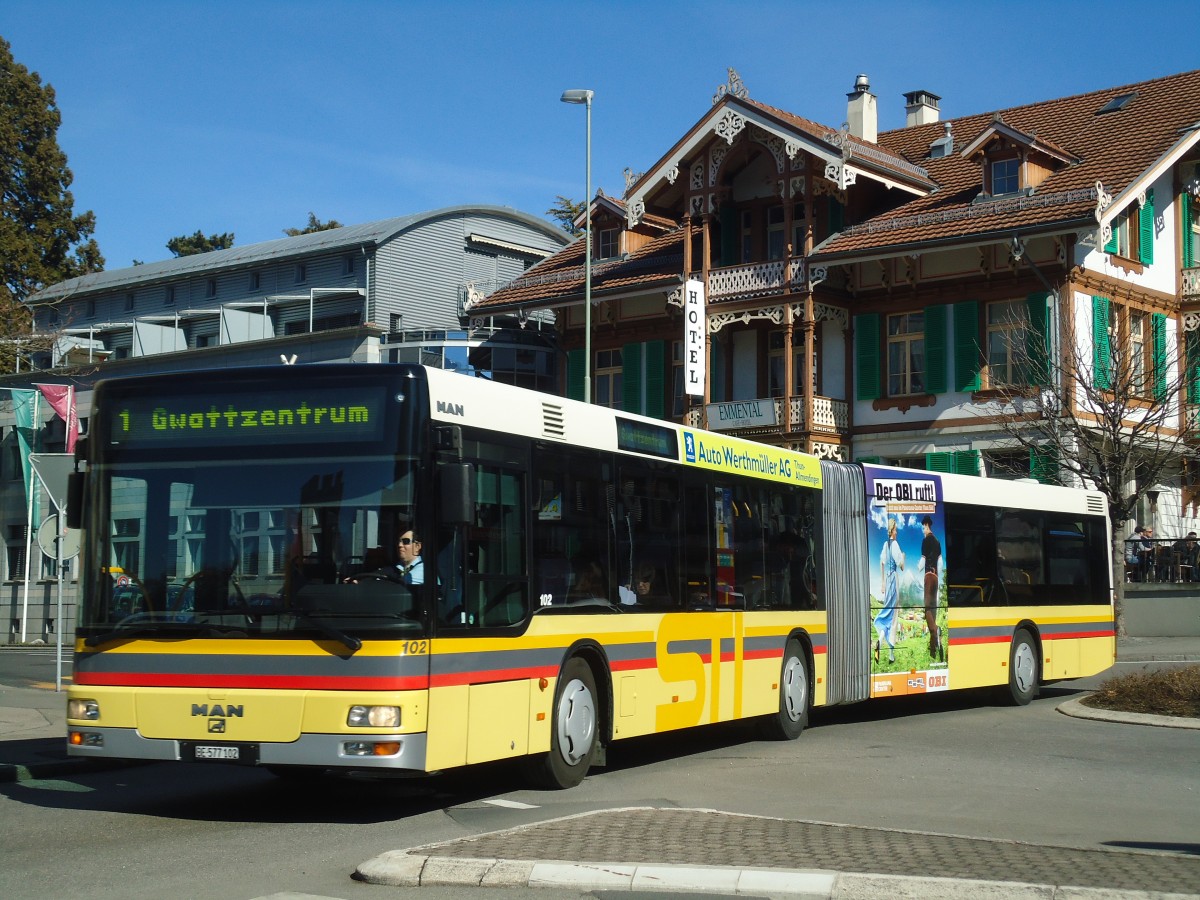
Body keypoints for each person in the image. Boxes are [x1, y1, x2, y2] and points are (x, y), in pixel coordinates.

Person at [873, 518, 903, 665]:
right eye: (896, 530)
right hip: (895, 579)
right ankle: (891, 654)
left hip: (888, 579)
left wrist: (883, 581)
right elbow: (901, 565)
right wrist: (903, 557)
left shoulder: (885, 545)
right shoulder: (895, 544)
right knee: (894, 617)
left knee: (888, 614)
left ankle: (880, 641)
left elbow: (881, 562)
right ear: (892, 530)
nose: (897, 532)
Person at [918, 515, 943, 661]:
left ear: (927, 525)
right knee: (932, 612)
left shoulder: (926, 540)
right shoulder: (938, 542)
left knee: (927, 609)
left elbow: (921, 564)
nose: (922, 530)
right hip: (936, 578)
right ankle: (933, 650)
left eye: (923, 527)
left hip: (928, 576)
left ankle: (936, 631)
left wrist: (917, 567)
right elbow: (940, 564)